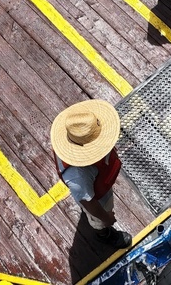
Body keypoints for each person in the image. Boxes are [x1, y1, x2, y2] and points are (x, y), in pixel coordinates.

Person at [50, 99, 132, 249]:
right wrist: (106, 218)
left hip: (97, 180)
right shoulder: (78, 175)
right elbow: (87, 200)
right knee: (96, 219)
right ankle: (103, 234)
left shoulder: (77, 131)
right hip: (97, 197)